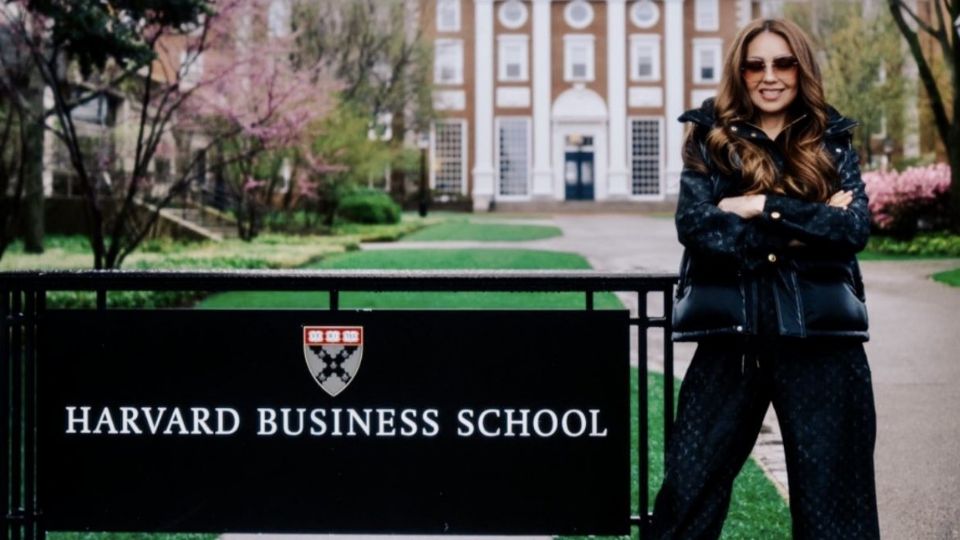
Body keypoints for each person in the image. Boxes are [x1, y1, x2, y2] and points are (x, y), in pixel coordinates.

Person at [650, 18, 880, 540]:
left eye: (783, 63)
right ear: (740, 71)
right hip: (732, 343)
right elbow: (697, 227)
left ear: (801, 69)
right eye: (756, 64)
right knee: (689, 494)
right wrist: (805, 222)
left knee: (834, 510)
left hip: (823, 344)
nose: (769, 76)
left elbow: (851, 229)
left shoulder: (832, 139)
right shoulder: (710, 138)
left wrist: (757, 205)